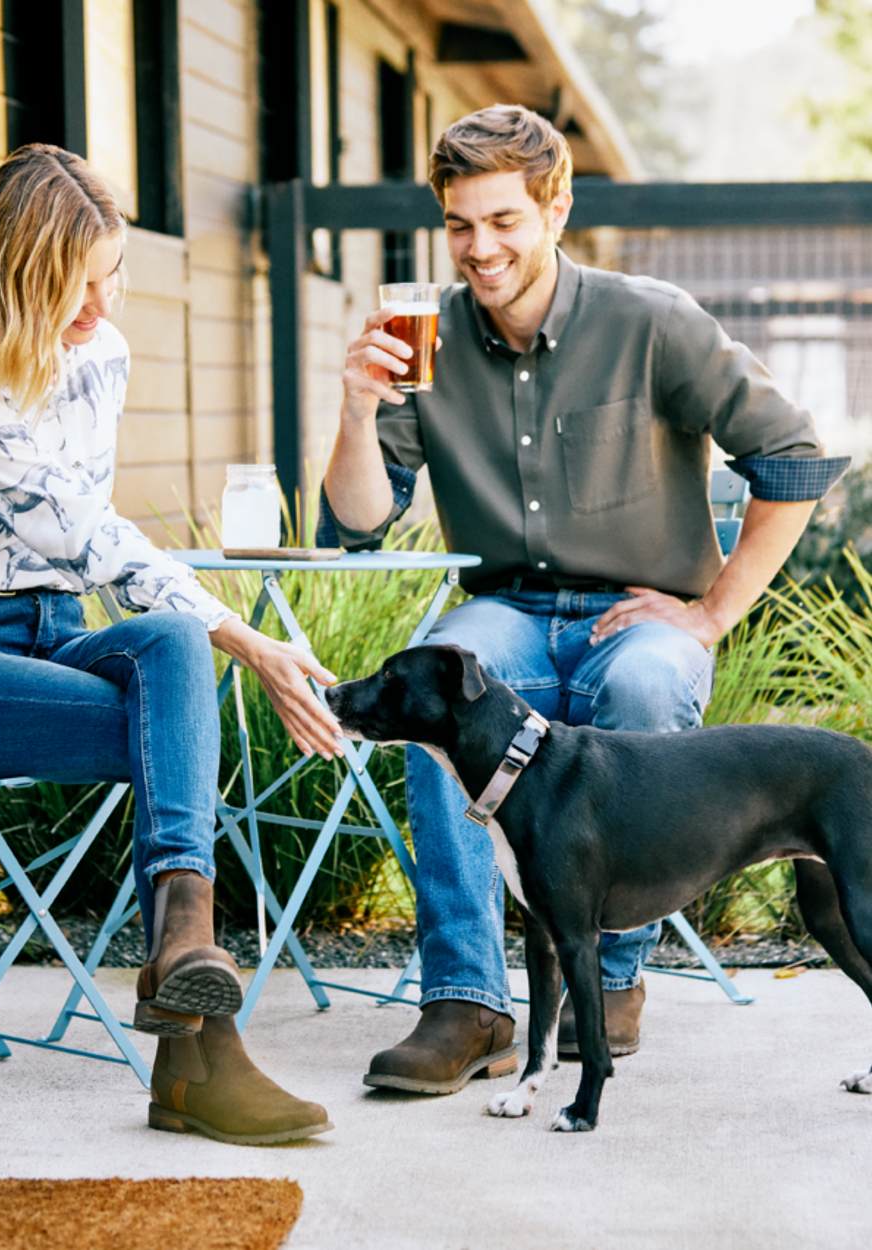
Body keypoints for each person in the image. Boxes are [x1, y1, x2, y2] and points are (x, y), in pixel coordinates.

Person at [321, 105, 849, 1095]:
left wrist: (710, 612)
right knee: (437, 700)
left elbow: (797, 457)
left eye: (504, 221)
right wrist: (356, 409)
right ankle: (468, 1002)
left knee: (650, 682)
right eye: (461, 225)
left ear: (555, 207)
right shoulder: (424, 336)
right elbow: (357, 519)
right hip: (505, 619)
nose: (481, 250)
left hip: (633, 615)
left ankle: (606, 981)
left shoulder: (649, 320)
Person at [0, 143, 341, 1146]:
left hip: (55, 638)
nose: (99, 305)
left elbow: (97, 545)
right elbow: (84, 535)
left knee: (172, 640)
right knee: (174, 709)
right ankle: (195, 1055)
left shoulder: (103, 357)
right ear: (12, 277)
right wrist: (252, 645)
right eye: (72, 284)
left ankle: (181, 947)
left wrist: (213, 630)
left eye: (110, 274)